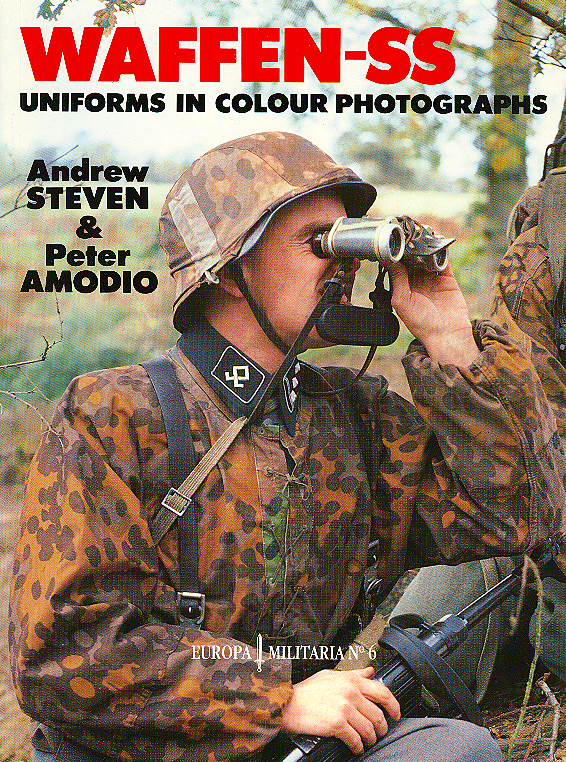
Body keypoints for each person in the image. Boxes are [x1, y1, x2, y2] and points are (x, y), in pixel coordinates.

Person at [9, 131, 566, 762]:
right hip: (143, 752)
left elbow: (512, 519)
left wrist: (451, 338)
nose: (345, 264)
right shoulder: (115, 416)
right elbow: (62, 658)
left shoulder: (356, 417)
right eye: (318, 242)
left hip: (293, 748)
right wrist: (276, 698)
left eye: (349, 239)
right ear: (231, 268)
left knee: (454, 750)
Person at [385, 184, 566, 702]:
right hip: (547, 526)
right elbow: (535, 458)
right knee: (408, 675)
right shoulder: (546, 256)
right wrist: (452, 345)